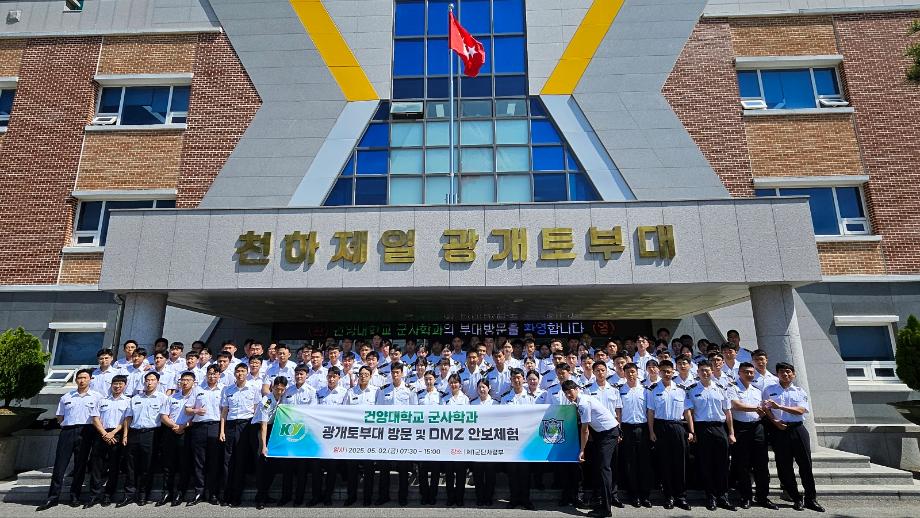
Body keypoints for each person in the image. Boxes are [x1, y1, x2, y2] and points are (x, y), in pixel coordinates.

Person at [763, 362, 824, 513]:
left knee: (805, 465)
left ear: (794, 374)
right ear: (777, 374)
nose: (785, 374)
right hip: (779, 430)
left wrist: (780, 407)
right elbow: (765, 409)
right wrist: (775, 421)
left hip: (797, 429)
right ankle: (796, 498)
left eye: (788, 371)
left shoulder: (799, 391)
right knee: (784, 466)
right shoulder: (769, 390)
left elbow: (801, 410)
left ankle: (811, 498)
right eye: (782, 372)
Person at [37, 369, 99, 511]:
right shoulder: (66, 397)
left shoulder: (97, 397)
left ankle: (75, 496)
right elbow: (60, 416)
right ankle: (52, 497)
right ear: (76, 380)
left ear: (90, 380)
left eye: (85, 378)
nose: (82, 380)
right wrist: (66, 426)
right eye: (79, 378)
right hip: (68, 431)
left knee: (80, 465)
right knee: (60, 465)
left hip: (86, 431)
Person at [562, 380, 619, 518]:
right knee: (600, 469)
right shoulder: (580, 401)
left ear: (577, 389)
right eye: (566, 393)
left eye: (570, 391)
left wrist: (582, 450)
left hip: (608, 434)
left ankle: (606, 509)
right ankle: (601, 502)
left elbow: (585, 430)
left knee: (604, 470)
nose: (569, 394)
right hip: (602, 433)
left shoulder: (583, 403)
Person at [686, 360, 736, 511]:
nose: (705, 373)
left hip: (719, 428)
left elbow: (727, 412)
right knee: (706, 464)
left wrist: (731, 433)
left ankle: (723, 496)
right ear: (698, 372)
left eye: (707, 370)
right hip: (702, 429)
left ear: (712, 371)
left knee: (722, 464)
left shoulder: (721, 388)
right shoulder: (692, 390)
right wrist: (692, 431)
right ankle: (711, 496)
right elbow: (690, 413)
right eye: (702, 370)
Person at [119, 371, 174, 507]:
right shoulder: (135, 398)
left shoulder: (163, 398)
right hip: (134, 433)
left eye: (152, 380)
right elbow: (128, 417)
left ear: (158, 382)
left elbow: (166, 417)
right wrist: (125, 434)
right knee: (131, 465)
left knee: (147, 465)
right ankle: (129, 494)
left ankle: (143, 493)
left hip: (152, 434)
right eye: (147, 380)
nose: (149, 383)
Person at [646, 360, 692, 511]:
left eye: (669, 371)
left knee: (680, 463)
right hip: (661, 427)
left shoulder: (681, 390)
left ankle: (681, 496)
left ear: (673, 372)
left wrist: (691, 431)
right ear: (659, 372)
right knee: (665, 463)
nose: (666, 374)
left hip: (678, 427)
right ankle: (669, 496)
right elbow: (651, 412)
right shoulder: (653, 390)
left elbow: (687, 412)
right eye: (664, 371)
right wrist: (651, 431)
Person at [729, 362, 776, 510]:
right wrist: (758, 408)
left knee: (761, 464)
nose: (749, 374)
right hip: (741, 428)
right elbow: (736, 405)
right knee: (743, 465)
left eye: (751, 372)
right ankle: (746, 497)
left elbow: (763, 410)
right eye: (746, 372)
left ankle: (763, 497)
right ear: (739, 373)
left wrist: (763, 412)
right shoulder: (732, 388)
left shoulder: (757, 390)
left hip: (757, 428)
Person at [374, 362, 417, 506]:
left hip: (403, 434)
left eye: (398, 372)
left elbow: (415, 412)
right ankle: (383, 496)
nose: (395, 375)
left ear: (402, 373)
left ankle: (402, 497)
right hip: (387, 434)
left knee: (403, 468)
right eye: (393, 372)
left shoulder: (410, 390)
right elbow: (378, 412)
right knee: (384, 466)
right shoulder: (383, 390)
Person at [84, 374, 130, 508]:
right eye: (115, 383)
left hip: (117, 434)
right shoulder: (102, 400)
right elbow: (95, 418)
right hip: (101, 434)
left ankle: (108, 495)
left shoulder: (128, 401)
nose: (117, 386)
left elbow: (126, 420)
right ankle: (94, 495)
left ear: (125, 386)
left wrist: (113, 433)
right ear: (111, 385)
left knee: (114, 466)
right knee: (96, 466)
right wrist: (104, 433)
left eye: (120, 384)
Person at [219, 363, 258, 507]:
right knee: (228, 461)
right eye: (237, 371)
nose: (240, 374)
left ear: (247, 373)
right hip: (230, 426)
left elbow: (256, 410)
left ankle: (236, 496)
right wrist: (222, 431)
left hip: (246, 425)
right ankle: (226, 495)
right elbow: (224, 411)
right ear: (234, 373)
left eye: (242, 371)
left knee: (240, 461)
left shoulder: (253, 388)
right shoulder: (228, 389)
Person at [185, 365, 223, 506]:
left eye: (215, 374)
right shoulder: (198, 389)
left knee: (214, 462)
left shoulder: (224, 389)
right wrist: (196, 410)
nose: (212, 376)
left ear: (219, 375)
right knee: (199, 461)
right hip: (199, 427)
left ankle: (212, 493)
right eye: (210, 374)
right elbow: (187, 408)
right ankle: (199, 492)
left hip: (215, 426)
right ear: (206, 375)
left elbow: (225, 410)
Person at [279, 365, 317, 506]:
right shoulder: (288, 391)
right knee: (287, 467)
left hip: (304, 433)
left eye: (301, 374)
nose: (299, 376)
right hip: (289, 433)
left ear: (307, 375)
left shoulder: (312, 391)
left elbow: (313, 412)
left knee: (302, 468)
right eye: (297, 374)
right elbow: (283, 409)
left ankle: (299, 497)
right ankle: (286, 496)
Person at [617, 363, 652, 508]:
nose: (630, 374)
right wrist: (619, 429)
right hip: (627, 429)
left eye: (633, 372)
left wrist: (651, 431)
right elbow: (618, 412)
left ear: (637, 373)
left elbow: (649, 411)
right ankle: (634, 494)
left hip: (642, 429)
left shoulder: (645, 390)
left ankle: (645, 495)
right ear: (624, 374)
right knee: (630, 463)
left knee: (644, 463)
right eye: (628, 372)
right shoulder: (620, 390)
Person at [500, 368, 536, 510]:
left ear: (524, 379)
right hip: (510, 439)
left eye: (519, 377)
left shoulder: (531, 397)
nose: (517, 380)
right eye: (514, 378)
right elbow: (502, 417)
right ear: (511, 380)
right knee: (512, 472)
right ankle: (514, 499)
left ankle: (526, 500)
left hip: (526, 439)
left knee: (525, 472)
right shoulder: (505, 398)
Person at [161, 370, 196, 506]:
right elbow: (163, 416)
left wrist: (183, 427)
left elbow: (196, 417)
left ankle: (180, 492)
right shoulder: (172, 397)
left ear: (193, 382)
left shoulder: (196, 398)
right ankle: (167, 492)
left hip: (186, 432)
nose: (185, 382)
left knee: (183, 464)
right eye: (183, 380)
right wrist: (174, 426)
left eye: (188, 380)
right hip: (171, 431)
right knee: (168, 464)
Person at [315, 367, 348, 505]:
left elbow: (347, 414)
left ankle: (328, 495)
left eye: (334, 376)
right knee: (317, 467)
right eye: (329, 376)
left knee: (332, 467)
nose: (331, 379)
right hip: (320, 434)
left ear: (339, 378)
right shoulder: (319, 392)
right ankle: (316, 496)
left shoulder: (345, 393)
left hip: (336, 435)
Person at [345, 366, 378, 505]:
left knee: (369, 468)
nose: (363, 376)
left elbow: (380, 413)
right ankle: (351, 496)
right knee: (352, 469)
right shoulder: (350, 392)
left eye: (366, 374)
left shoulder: (376, 392)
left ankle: (367, 498)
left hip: (370, 436)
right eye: (361, 374)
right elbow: (343, 412)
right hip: (354, 435)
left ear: (370, 376)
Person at [254, 376, 288, 509]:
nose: (279, 391)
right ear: (272, 387)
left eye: (282, 389)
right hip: (260, 430)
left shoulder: (282, 398)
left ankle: (265, 494)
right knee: (263, 464)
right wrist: (263, 446)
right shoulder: (266, 401)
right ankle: (260, 499)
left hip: (273, 430)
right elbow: (263, 425)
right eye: (277, 389)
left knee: (272, 465)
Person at [441, 373, 469, 507]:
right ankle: (450, 497)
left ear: (460, 384)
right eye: (451, 382)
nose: (453, 385)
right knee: (449, 471)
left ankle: (460, 497)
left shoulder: (465, 399)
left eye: (456, 382)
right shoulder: (444, 399)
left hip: (461, 440)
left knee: (460, 471)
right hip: (447, 439)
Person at [416, 370, 442, 505]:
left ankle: (433, 494)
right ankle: (424, 494)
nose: (428, 381)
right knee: (422, 468)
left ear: (435, 380)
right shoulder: (419, 395)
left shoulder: (441, 396)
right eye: (426, 379)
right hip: (422, 435)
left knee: (435, 468)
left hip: (436, 436)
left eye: (430, 379)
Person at [470, 379, 497, 506]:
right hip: (476, 443)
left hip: (491, 442)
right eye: (479, 387)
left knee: (490, 472)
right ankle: (480, 497)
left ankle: (489, 497)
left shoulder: (495, 403)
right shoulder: (472, 404)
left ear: (489, 388)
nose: (482, 389)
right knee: (478, 472)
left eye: (484, 387)